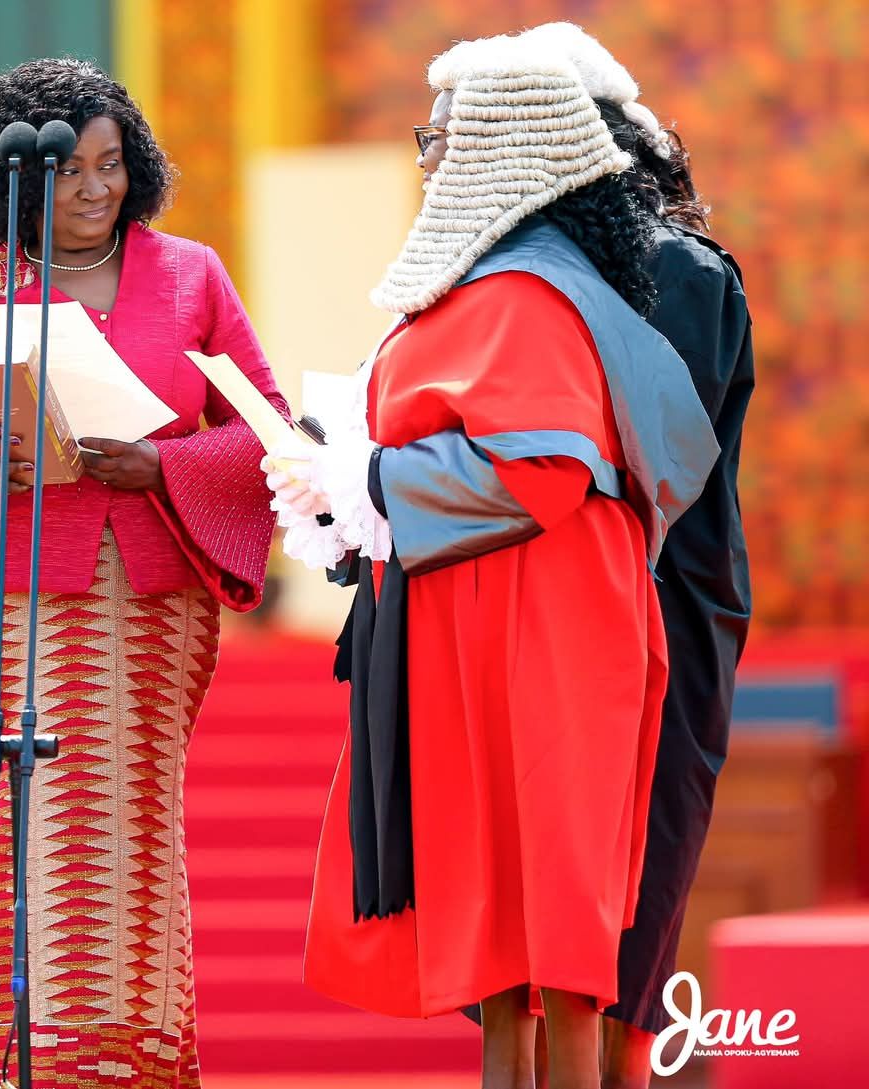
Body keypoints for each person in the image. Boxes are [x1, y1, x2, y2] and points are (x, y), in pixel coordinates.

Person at [264, 36, 718, 1089]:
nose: (429, 159)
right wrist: (350, 487)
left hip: (540, 618)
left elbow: (542, 475)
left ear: (497, 152)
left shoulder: (523, 293)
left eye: (442, 139)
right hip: (499, 608)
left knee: (549, 922)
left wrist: (372, 479)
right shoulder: (507, 283)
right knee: (509, 946)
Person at [0, 58, 286, 1089]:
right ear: (16, 177)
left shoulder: (191, 276)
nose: (96, 189)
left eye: (111, 165)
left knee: (115, 836)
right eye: (69, 173)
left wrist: (167, 464)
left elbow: (269, 432)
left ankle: (112, 1062)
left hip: (143, 603)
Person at [512, 25, 754, 1089]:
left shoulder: (680, 271)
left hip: (664, 594)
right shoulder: (517, 273)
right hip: (551, 594)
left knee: (643, 866)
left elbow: (666, 455)